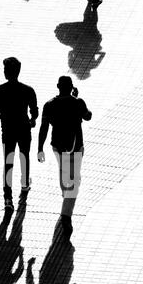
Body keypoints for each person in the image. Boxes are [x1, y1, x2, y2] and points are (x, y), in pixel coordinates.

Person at [38, 76, 92, 237]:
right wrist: (77, 99)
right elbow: (88, 116)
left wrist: (40, 148)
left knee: (64, 171)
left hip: (58, 146)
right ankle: (66, 216)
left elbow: (44, 128)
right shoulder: (78, 102)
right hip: (76, 146)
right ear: (71, 87)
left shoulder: (49, 105)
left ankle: (65, 195)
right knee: (74, 180)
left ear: (57, 86)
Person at [0, 57, 38, 211]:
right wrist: (32, 120)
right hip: (24, 128)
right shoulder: (28, 90)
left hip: (8, 130)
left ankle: (7, 198)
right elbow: (34, 112)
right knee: (24, 156)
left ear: (6, 72)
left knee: (8, 162)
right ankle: (24, 184)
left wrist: (2, 116)